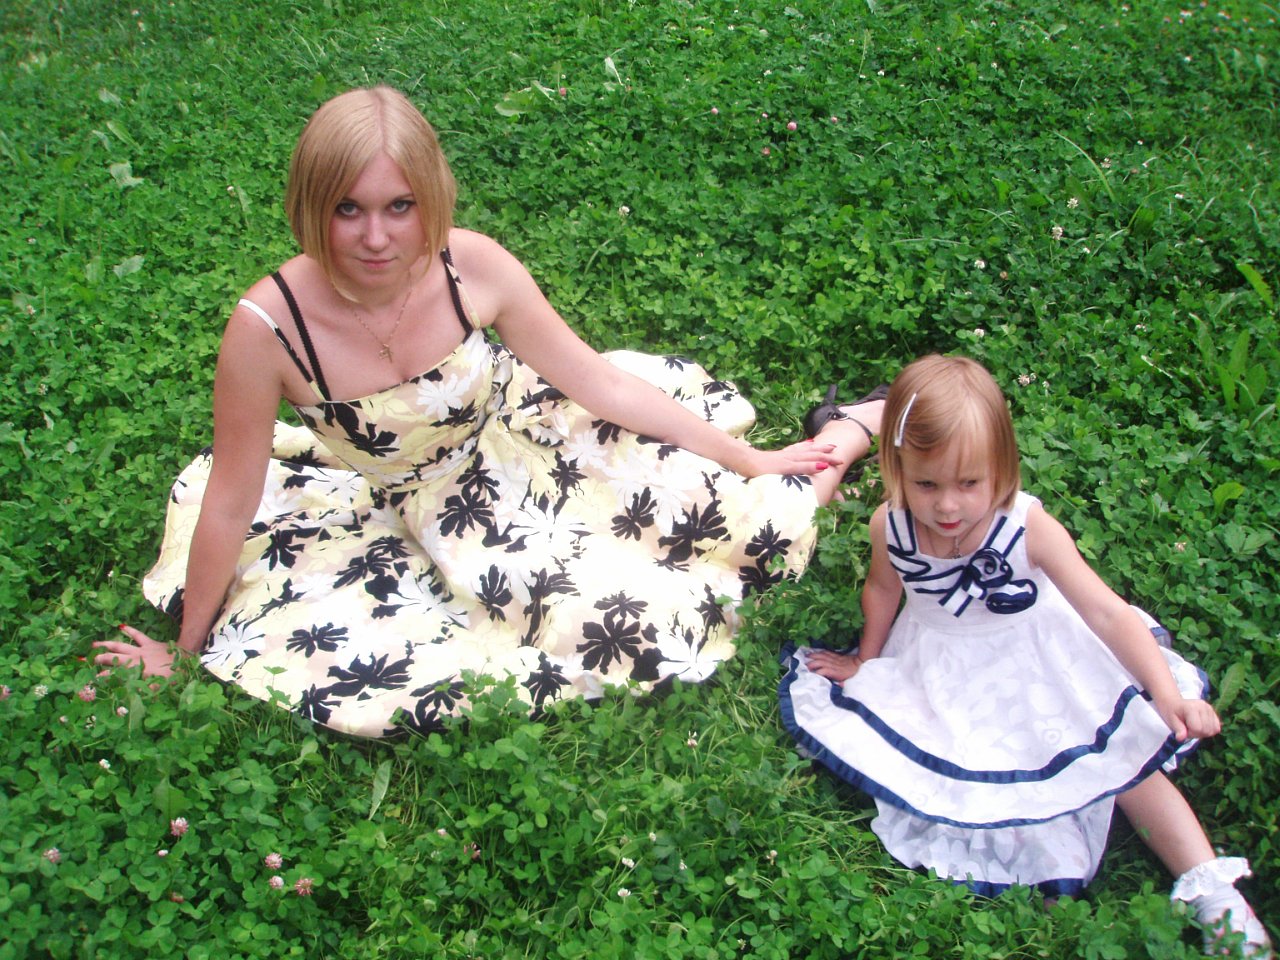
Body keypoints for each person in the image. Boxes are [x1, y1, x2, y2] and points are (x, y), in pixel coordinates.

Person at [91, 85, 884, 738]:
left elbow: (599, 385)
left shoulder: (466, 264)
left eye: (400, 206)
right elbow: (232, 498)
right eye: (347, 209)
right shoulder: (267, 330)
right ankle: (844, 435)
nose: (376, 237)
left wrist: (749, 459)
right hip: (444, 514)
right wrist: (184, 654)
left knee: (741, 517)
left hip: (541, 432)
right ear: (311, 205)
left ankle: (847, 432)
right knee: (620, 624)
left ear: (430, 197)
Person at [779, 355, 1270, 956]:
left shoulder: (1027, 526)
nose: (948, 506)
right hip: (943, 668)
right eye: (927, 484)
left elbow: (1106, 612)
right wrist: (867, 661)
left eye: (969, 483)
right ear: (895, 465)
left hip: (1044, 658)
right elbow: (883, 590)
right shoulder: (891, 525)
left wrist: (1165, 697)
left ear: (1003, 469)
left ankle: (1214, 894)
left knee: (1124, 753)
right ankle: (1045, 869)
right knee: (987, 776)